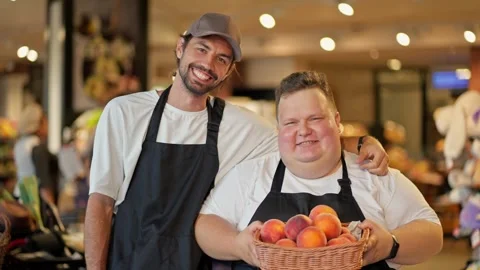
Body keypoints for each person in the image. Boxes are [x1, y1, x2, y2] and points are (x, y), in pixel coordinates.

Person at [84, 13, 390, 270]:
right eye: (201, 49)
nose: (208, 64)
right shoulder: (125, 112)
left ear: (229, 70)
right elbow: (101, 203)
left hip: (197, 263)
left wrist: (363, 142)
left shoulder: (239, 125)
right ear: (180, 47)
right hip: (129, 260)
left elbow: (302, 138)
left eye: (221, 58)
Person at [196, 71, 443, 269]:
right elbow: (206, 224)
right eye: (291, 122)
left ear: (336, 122)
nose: (303, 131)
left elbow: (432, 232)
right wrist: (237, 245)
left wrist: (391, 245)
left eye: (314, 119)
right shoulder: (250, 176)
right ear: (279, 128)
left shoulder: (373, 174)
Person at [14, 102, 59, 206]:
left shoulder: (20, 145)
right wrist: (52, 210)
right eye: (45, 120)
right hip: (37, 203)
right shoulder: (38, 147)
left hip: (22, 197)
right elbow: (44, 183)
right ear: (38, 123)